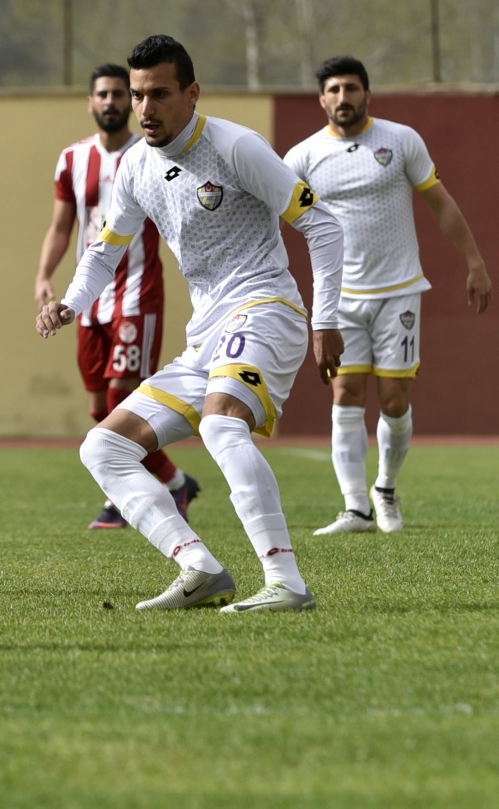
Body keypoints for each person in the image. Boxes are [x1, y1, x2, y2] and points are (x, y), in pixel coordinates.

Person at [37, 34, 345, 612]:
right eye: (136, 96)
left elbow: (323, 226)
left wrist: (326, 320)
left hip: (265, 309)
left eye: (159, 94)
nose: (145, 109)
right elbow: (105, 249)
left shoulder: (236, 147)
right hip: (206, 335)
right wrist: (71, 305)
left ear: (192, 93)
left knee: (221, 425)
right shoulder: (134, 167)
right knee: (102, 448)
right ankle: (198, 568)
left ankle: (288, 583)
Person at [284, 56, 491, 535]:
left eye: (351, 88)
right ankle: (354, 508)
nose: (343, 97)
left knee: (395, 400)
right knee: (346, 392)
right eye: (333, 90)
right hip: (341, 297)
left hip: (399, 291)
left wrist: (475, 262)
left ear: (367, 94)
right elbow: (272, 213)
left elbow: (441, 202)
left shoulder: (400, 141)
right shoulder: (303, 157)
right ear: (321, 99)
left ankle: (386, 489)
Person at [35, 63, 201, 530]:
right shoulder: (72, 159)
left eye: (117, 94)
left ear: (130, 100)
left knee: (119, 398)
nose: (110, 102)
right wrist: (44, 274)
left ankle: (122, 498)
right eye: (101, 95)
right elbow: (61, 225)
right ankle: (174, 482)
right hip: (89, 297)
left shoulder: (153, 152)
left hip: (137, 293)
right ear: (90, 102)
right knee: (98, 406)